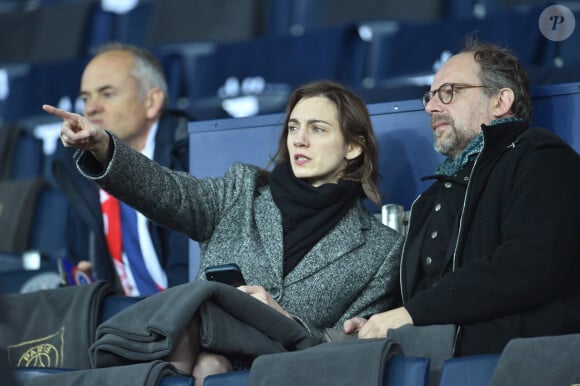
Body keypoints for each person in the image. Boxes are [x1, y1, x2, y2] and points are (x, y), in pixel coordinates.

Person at [43, 80, 403, 383]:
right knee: (209, 362)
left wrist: (285, 319)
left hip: (278, 371)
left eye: (317, 129)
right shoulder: (240, 192)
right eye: (293, 127)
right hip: (203, 352)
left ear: (354, 146)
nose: (299, 140)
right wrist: (103, 146)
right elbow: (166, 191)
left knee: (203, 339)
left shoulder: (381, 248)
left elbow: (350, 345)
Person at [343, 38, 580, 357]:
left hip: (511, 357)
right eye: (430, 96)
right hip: (432, 351)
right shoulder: (430, 197)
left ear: (500, 101)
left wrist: (412, 315)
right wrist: (378, 323)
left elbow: (527, 266)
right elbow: (421, 297)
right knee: (319, 355)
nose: (430, 106)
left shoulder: (540, 156)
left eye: (448, 92)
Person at [51, 43, 190, 296]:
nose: (91, 108)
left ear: (151, 102)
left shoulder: (191, 157)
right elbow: (82, 262)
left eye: (107, 93)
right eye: (85, 98)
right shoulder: (79, 168)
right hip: (125, 324)